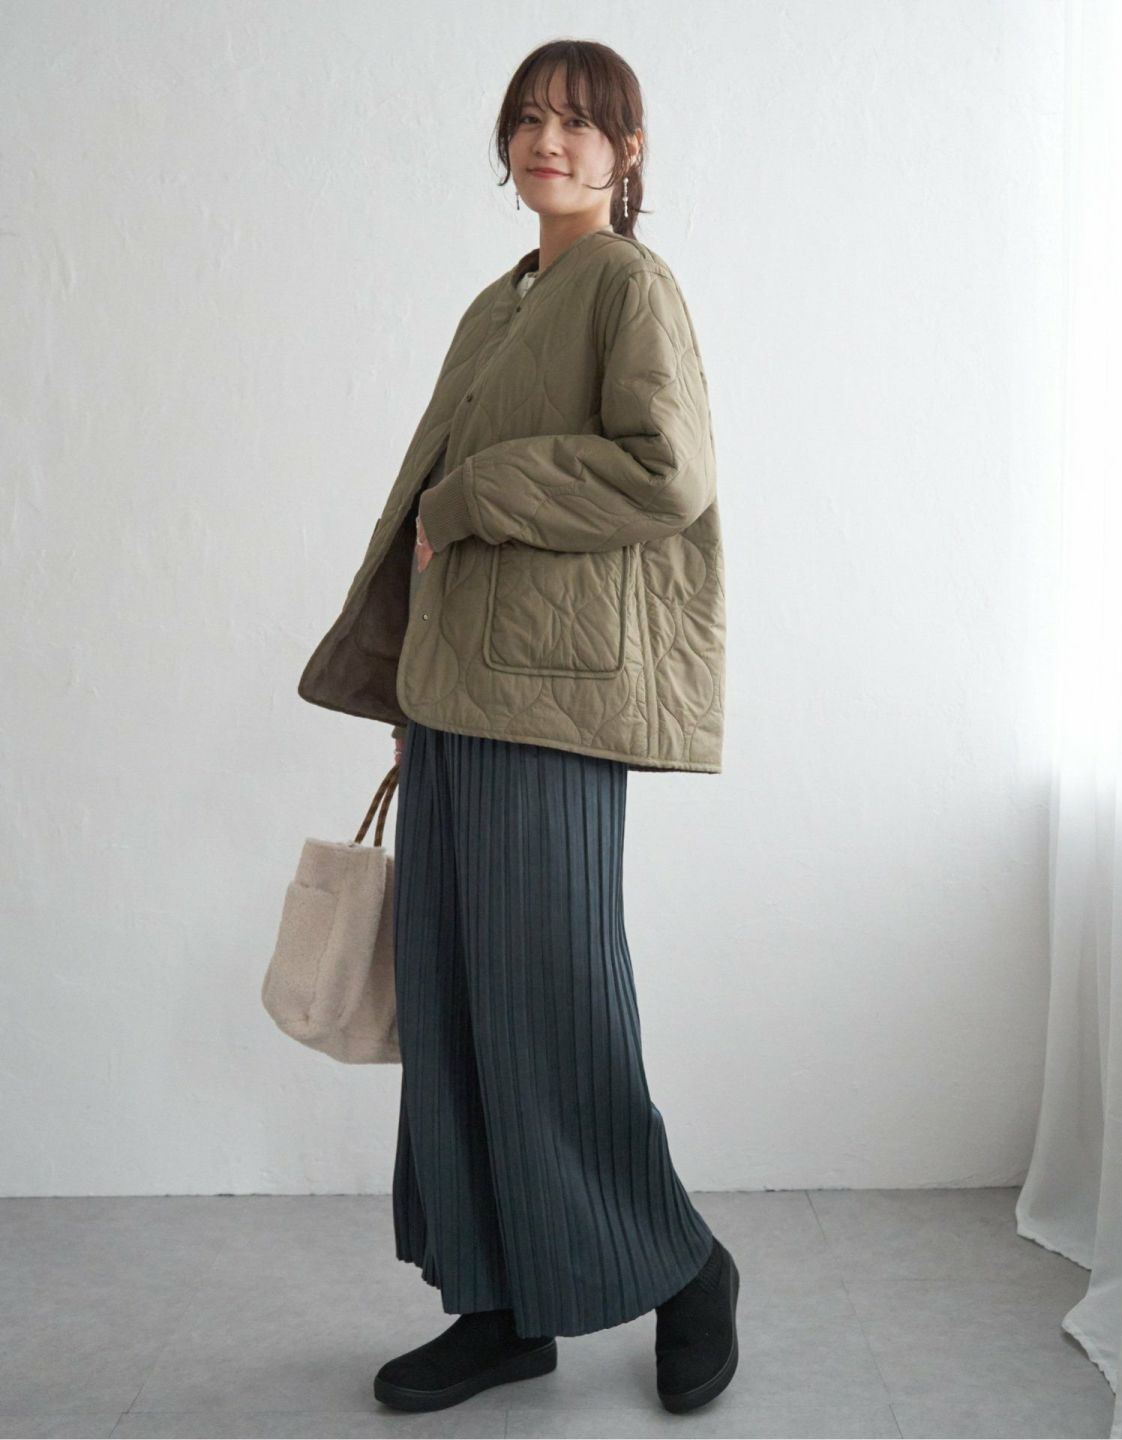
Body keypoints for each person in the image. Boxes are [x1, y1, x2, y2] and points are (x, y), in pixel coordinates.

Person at [296, 37, 734, 1417]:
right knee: (455, 1005)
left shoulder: (628, 285)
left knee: (552, 1003)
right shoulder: (503, 301)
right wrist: (411, 690)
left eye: (579, 123)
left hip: (553, 704)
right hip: (455, 698)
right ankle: (499, 1309)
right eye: (530, 119)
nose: (549, 141)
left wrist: (481, 490)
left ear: (626, 152)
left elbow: (667, 473)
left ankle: (684, 1265)